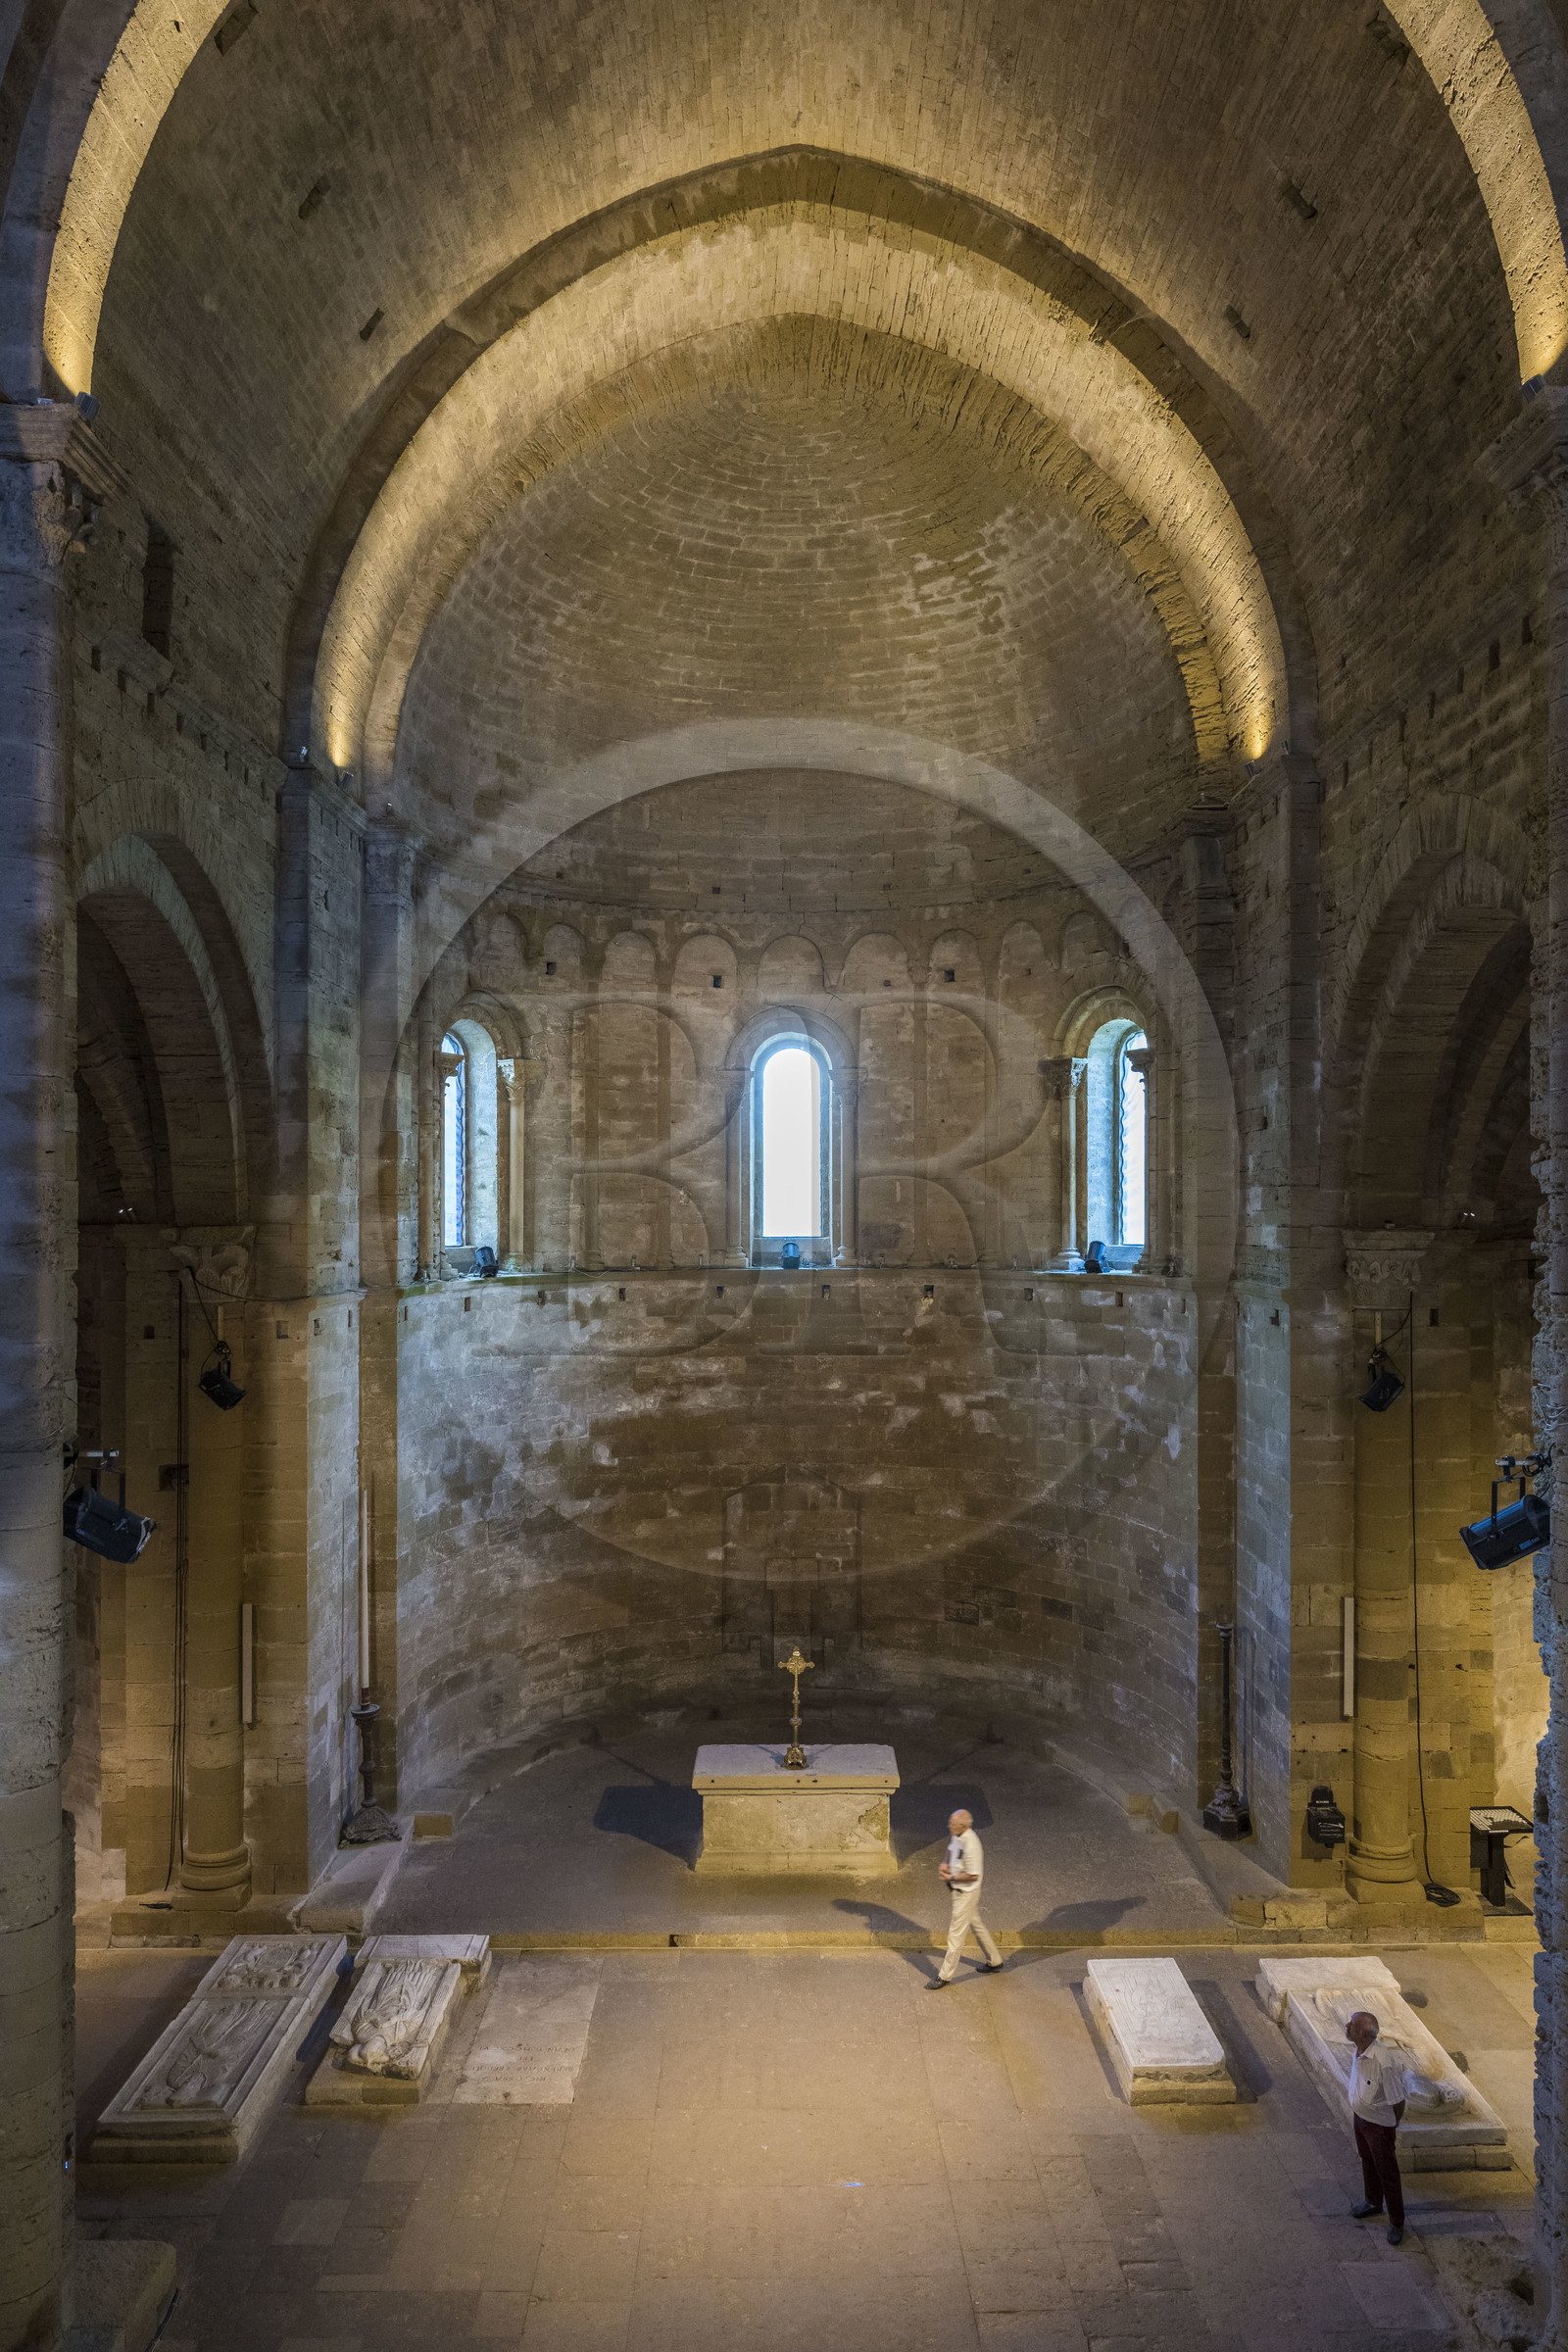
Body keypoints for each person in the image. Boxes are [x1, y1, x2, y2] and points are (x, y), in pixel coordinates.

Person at [1346, 2009, 1406, 2244]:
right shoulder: (1358, 2048)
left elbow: (1398, 2100)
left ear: (1364, 2034)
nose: (1347, 2026)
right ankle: (1372, 2202)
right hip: (1360, 2117)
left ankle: (1397, 2222)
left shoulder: (1383, 2062)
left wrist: (1392, 2124)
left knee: (1387, 2173)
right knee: (1367, 2160)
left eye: (1352, 2025)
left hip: (1379, 2126)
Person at [928, 1807, 1004, 1986]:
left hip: (966, 1894)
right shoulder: (958, 1835)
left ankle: (945, 1975)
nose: (949, 1826)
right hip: (958, 1891)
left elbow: (974, 1875)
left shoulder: (972, 1845)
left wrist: (951, 1877)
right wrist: (945, 1862)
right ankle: (995, 1960)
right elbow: (951, 1847)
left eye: (952, 1824)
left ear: (962, 1826)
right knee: (977, 1926)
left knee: (955, 1936)